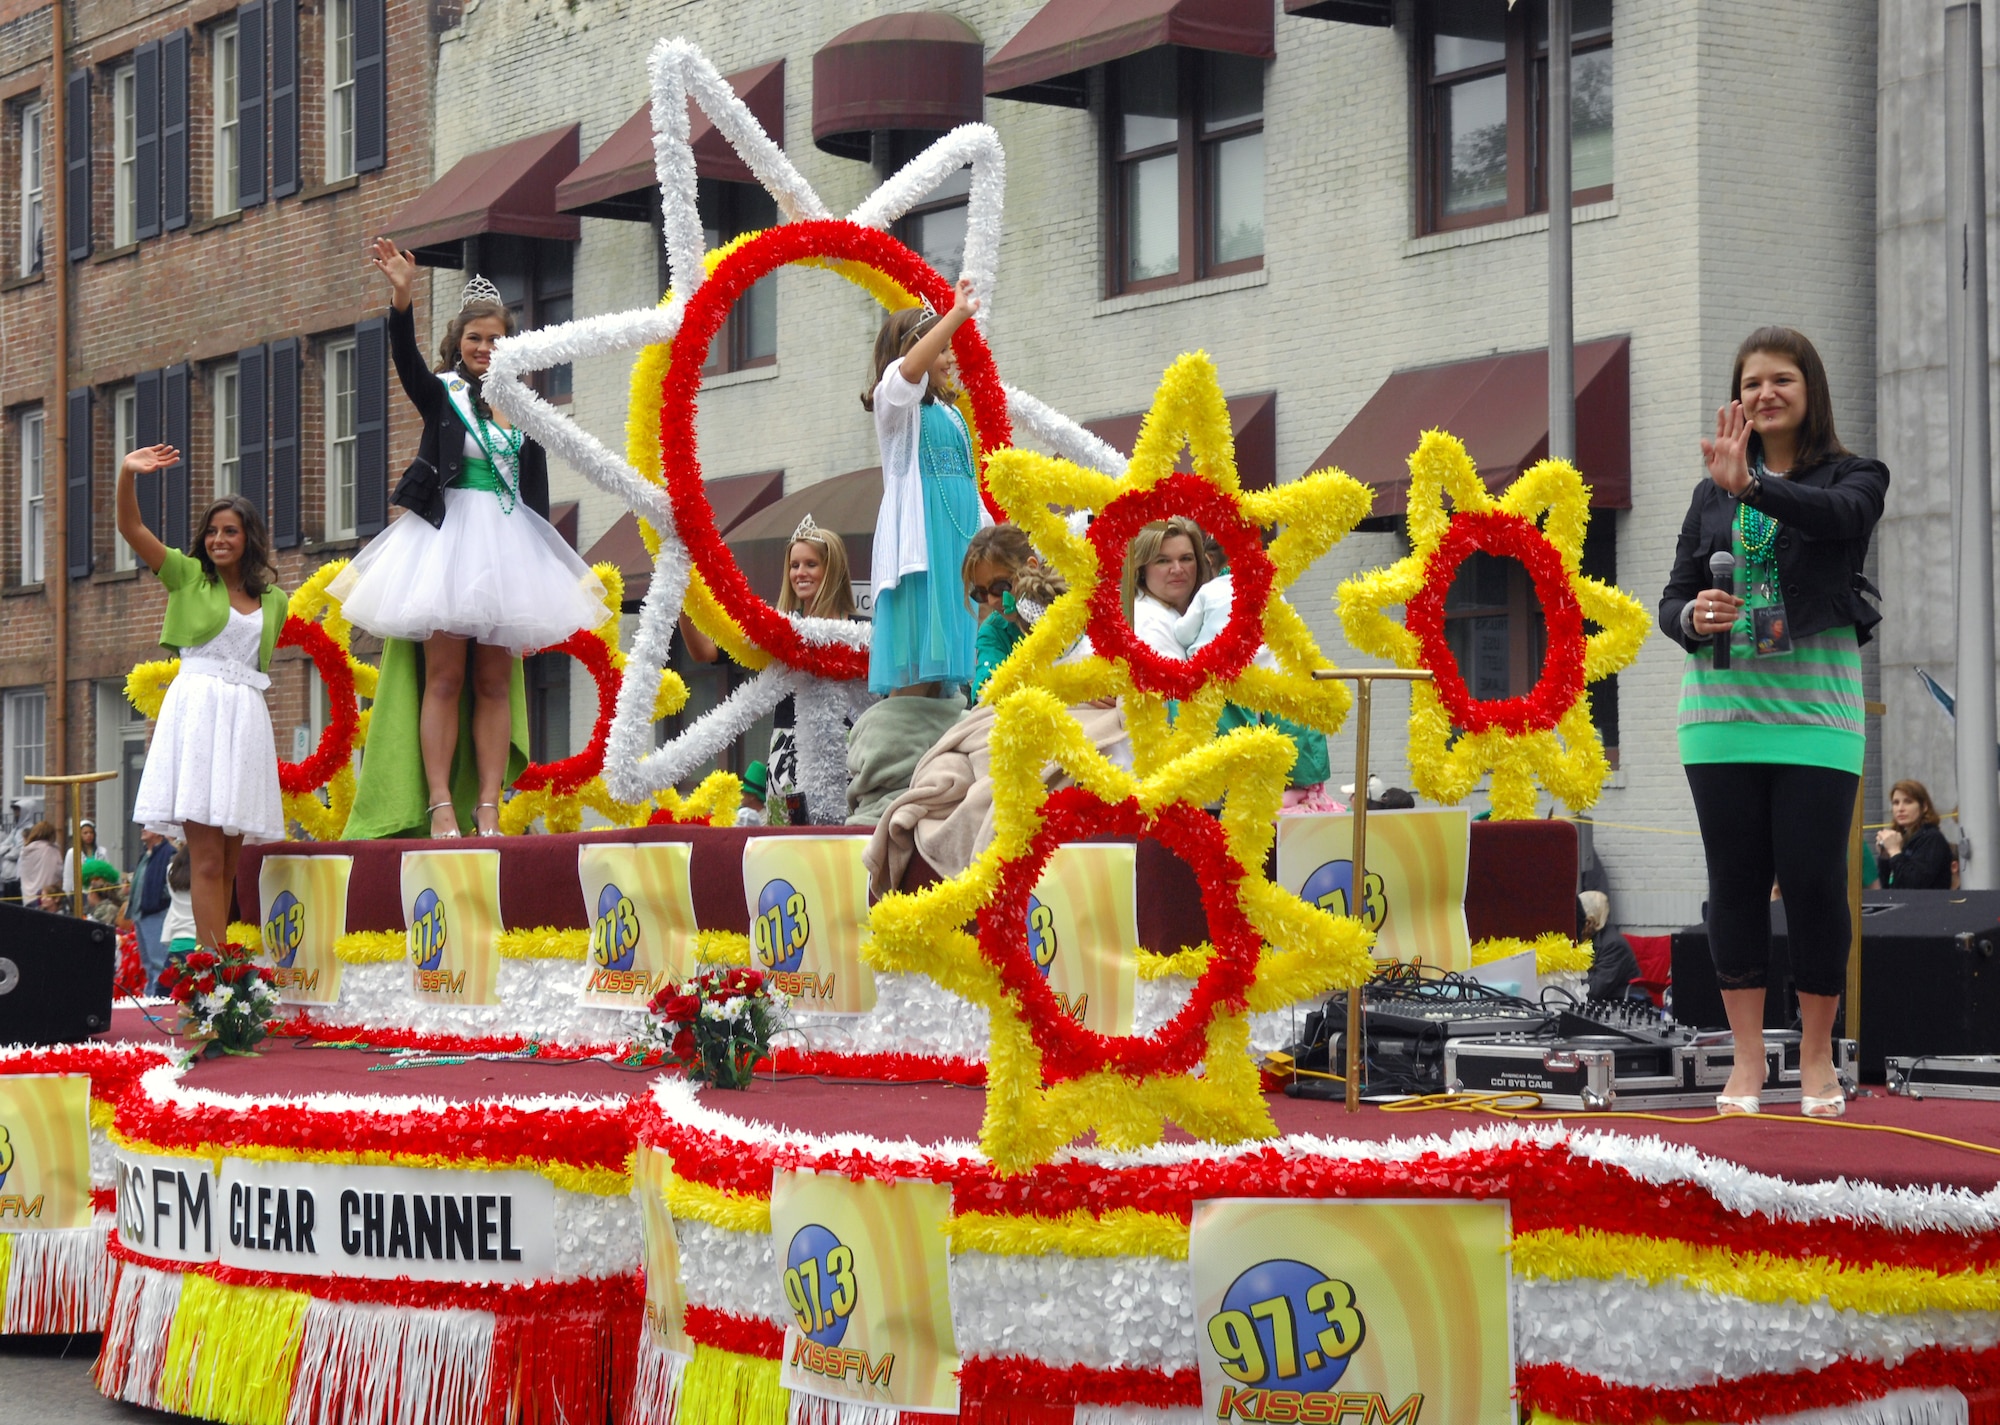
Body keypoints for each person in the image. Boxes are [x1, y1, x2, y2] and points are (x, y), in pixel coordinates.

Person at [1661, 326, 1888, 1119]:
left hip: (1816, 716)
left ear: (1808, 389)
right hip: (1720, 714)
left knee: (1817, 880)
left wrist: (1753, 485)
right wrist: (1695, 612)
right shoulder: (1709, 492)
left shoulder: (1855, 474)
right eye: (1751, 381)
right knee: (1736, 884)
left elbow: (1835, 520)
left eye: (1780, 379)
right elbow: (1672, 596)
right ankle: (1749, 1062)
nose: (1764, 393)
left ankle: (1819, 1057)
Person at [333, 241, 606, 838]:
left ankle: (489, 805)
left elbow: (535, 492)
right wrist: (401, 296)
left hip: (507, 548)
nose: (484, 348)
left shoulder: (524, 408)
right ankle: (438, 804)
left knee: (493, 683)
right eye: (475, 338)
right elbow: (404, 360)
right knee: (445, 679)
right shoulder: (442, 395)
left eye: (495, 340)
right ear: (459, 342)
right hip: (448, 542)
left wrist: (543, 568)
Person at [120, 444, 288, 951]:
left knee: (232, 864)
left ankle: (225, 973)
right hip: (197, 715)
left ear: (248, 538)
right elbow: (133, 530)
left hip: (245, 719)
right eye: (212, 531)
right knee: (208, 860)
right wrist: (128, 474)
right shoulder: (187, 575)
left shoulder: (274, 599)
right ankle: (213, 975)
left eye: (229, 531)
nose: (218, 539)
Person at [680, 516, 858, 815]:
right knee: (786, 854)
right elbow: (704, 651)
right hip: (787, 759)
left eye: (810, 564)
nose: (800, 573)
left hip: (847, 755)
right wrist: (683, 593)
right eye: (794, 565)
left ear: (832, 569)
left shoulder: (862, 634)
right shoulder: (776, 632)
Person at [865, 280, 990, 697]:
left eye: (949, 348)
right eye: (941, 349)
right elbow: (907, 375)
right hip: (920, 548)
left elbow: (969, 486)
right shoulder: (894, 406)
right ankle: (903, 756)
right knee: (919, 662)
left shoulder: (953, 414)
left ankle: (945, 745)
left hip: (958, 545)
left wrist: (987, 541)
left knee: (957, 665)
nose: (949, 358)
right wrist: (954, 315)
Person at [1122, 517, 1213, 662]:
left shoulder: (1208, 608)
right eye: (1163, 561)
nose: (1177, 570)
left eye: (1186, 559)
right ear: (1142, 569)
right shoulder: (1148, 620)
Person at [964, 523, 1039, 701]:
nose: (991, 601)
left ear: (1031, 567)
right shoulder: (993, 631)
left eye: (999, 586)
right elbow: (986, 693)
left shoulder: (1073, 608)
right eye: (981, 593)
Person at [1876, 778, 1954, 889]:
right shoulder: (1903, 838)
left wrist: (1895, 851)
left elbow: (1914, 883)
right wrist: (1885, 856)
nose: (1900, 808)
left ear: (1924, 807)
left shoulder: (1932, 838)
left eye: (1908, 802)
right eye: (1896, 803)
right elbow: (1888, 887)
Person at [1579, 890, 1644, 1002]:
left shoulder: (1614, 945)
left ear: (1589, 922)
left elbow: (1593, 991)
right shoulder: (1586, 938)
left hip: (1621, 1004)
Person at [131, 829, 175, 992]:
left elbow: (170, 883)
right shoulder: (146, 854)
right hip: (142, 914)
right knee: (148, 963)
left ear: (159, 832)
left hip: (156, 913)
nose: (142, 828)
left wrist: (157, 899)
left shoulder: (168, 853)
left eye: (148, 826)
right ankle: (151, 996)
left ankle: (158, 1000)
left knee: (158, 962)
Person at [160, 843, 197, 977]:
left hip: (176, 943)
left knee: (164, 994)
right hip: (199, 943)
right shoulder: (204, 876)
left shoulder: (171, 870)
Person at [17, 821, 61, 910]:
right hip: (46, 897)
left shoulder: (25, 851)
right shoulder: (50, 850)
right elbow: (58, 872)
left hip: (27, 897)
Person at [59, 817, 99, 898]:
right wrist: (67, 895)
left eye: (91, 832)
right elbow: (68, 877)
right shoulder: (72, 853)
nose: (89, 835)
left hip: (98, 893)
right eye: (85, 833)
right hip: (80, 894)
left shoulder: (102, 852)